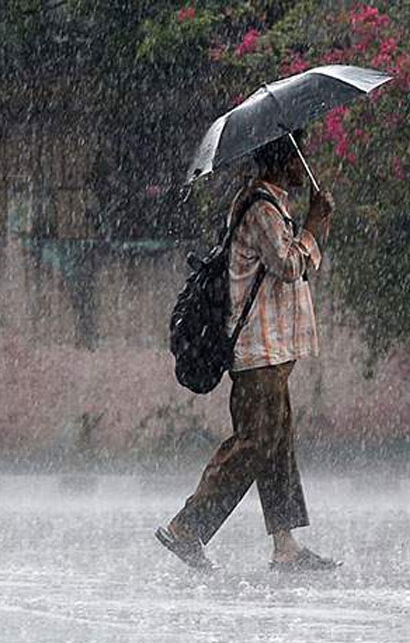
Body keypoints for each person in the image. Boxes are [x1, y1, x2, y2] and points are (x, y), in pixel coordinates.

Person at [155, 131, 339, 571]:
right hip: (258, 352)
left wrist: (311, 223)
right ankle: (188, 527)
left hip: (273, 353)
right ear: (283, 162)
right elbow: (290, 265)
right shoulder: (260, 209)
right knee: (254, 443)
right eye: (299, 158)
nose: (304, 167)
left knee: (276, 445)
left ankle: (285, 546)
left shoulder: (271, 205)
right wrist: (316, 224)